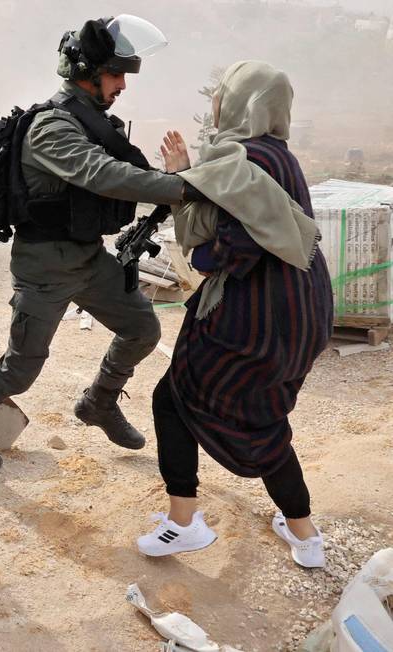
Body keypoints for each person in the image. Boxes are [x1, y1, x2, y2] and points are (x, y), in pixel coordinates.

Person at [0, 15, 204, 472]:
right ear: (89, 73)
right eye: (116, 74)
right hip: (44, 267)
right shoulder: (52, 127)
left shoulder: (91, 120)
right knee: (21, 369)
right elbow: (102, 174)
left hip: (86, 257)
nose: (122, 85)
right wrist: (180, 186)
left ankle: (98, 402)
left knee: (143, 328)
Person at [137, 61, 332, 568]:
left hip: (255, 318)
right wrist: (188, 175)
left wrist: (198, 247)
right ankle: (306, 536)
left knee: (174, 399)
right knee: (263, 414)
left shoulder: (244, 162)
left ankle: (183, 525)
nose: (215, 104)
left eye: (222, 95)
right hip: (303, 308)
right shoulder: (278, 156)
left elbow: (227, 250)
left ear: (242, 104)